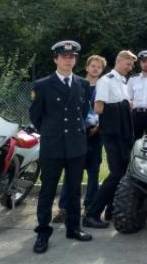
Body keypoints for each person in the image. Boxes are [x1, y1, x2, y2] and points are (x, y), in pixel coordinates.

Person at [30, 40, 93, 254]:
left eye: (72, 57)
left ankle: (73, 228)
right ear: (55, 59)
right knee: (47, 190)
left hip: (76, 145)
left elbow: (82, 113)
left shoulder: (83, 84)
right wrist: (51, 131)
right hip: (53, 145)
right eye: (64, 57)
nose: (68, 60)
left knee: (74, 190)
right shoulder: (42, 85)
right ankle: (43, 232)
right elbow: (36, 116)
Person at [83, 50, 137, 229]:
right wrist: (123, 107)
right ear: (119, 61)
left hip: (122, 133)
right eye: (128, 64)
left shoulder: (123, 82)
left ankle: (111, 210)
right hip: (111, 133)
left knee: (121, 172)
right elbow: (98, 108)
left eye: (132, 65)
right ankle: (92, 213)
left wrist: (126, 107)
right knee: (116, 173)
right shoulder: (106, 81)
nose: (130, 67)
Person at [53, 55, 107, 224]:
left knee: (93, 172)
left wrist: (98, 127)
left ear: (102, 70)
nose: (95, 69)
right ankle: (64, 208)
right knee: (71, 173)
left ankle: (89, 207)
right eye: (93, 66)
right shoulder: (75, 84)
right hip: (76, 135)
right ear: (87, 67)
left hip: (95, 135)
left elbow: (106, 111)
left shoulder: (104, 87)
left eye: (99, 67)